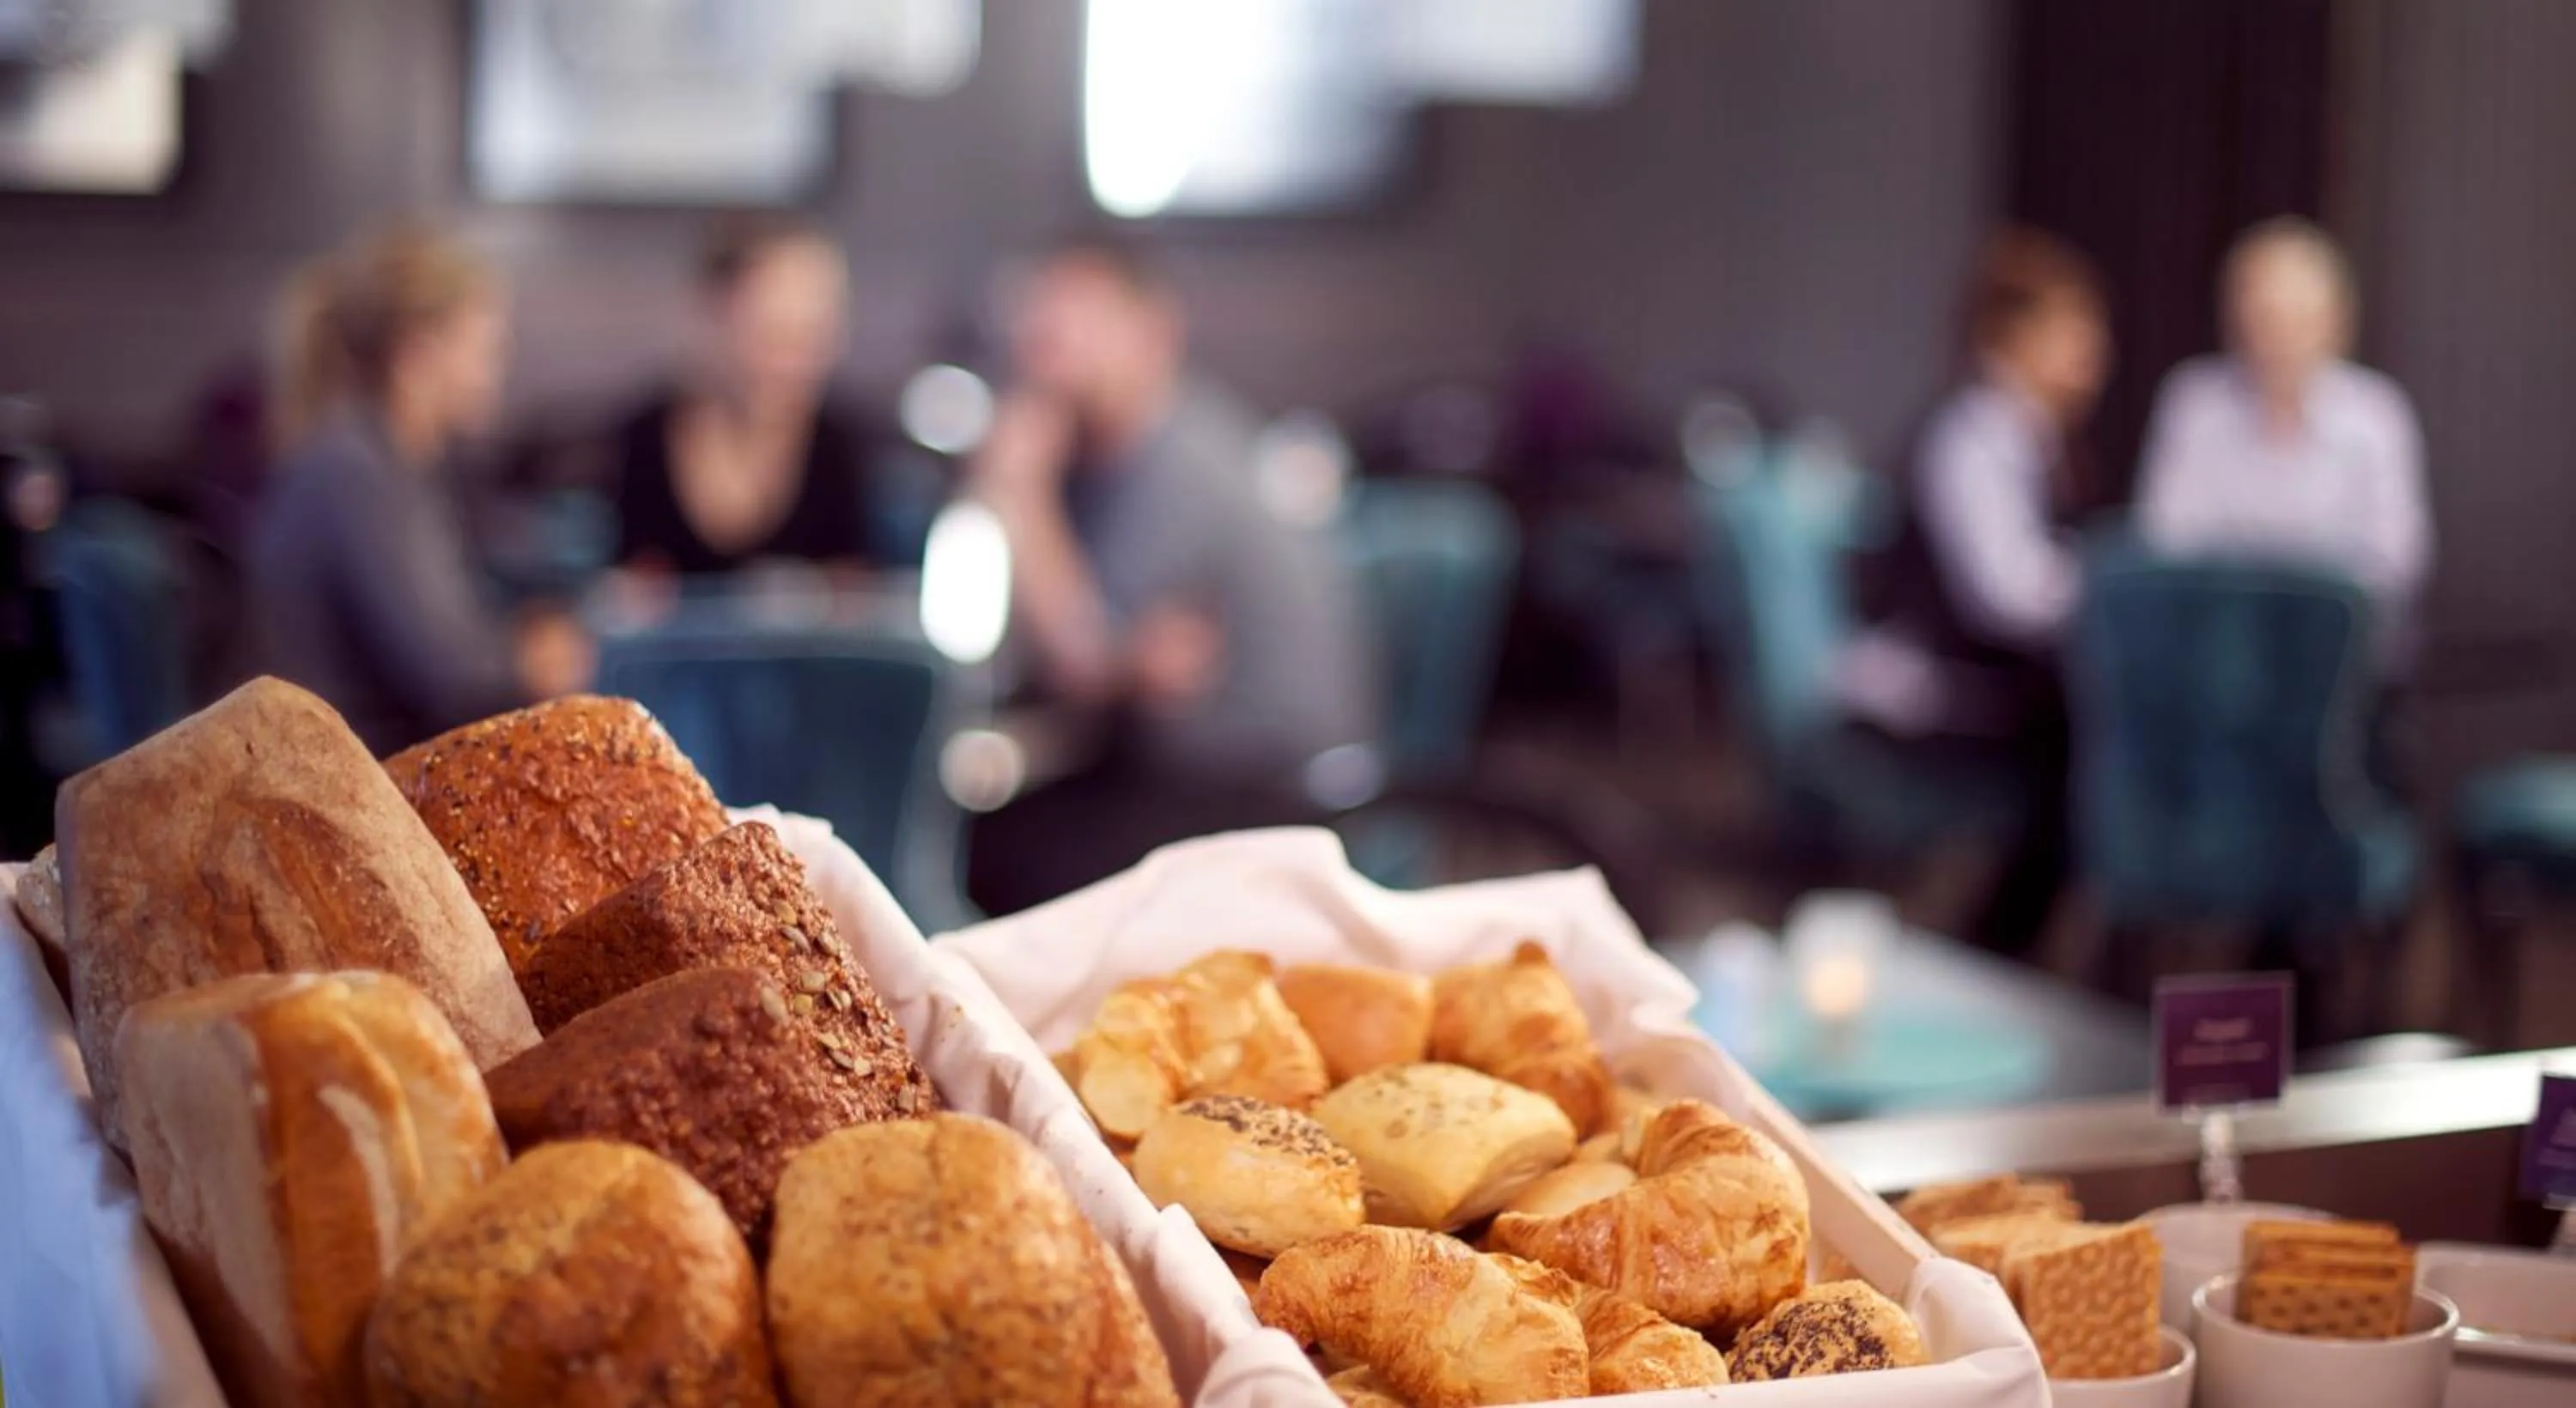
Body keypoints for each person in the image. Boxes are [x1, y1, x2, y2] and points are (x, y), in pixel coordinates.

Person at [964, 237, 1375, 913]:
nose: (1047, 359)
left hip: (1266, 794)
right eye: (1039, 334)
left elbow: (1083, 662)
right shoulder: (1110, 457)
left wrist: (1018, 491)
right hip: (1194, 775)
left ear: (1154, 333)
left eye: (1075, 331)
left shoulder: (1182, 467)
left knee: (1000, 858)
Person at [1846, 228, 2113, 957]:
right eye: (2076, 328)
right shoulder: (1974, 437)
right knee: (2080, 758)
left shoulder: (2034, 441)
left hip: (1980, 688)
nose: (2096, 351)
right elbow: (2006, 596)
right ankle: (2001, 958)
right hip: (1939, 698)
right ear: (2011, 335)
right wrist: (2116, 589)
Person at [251, 226, 587, 753]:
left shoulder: (392, 460)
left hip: (362, 764)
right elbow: (453, 678)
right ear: (416, 354)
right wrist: (532, 659)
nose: (493, 375)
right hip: (353, 779)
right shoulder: (356, 472)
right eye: (484, 352)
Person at [2136, 218, 2432, 651]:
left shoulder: (2376, 416)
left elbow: (2394, 564)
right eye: (2260, 319)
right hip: (2216, 643)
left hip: (2335, 650)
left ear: (2335, 324)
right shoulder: (2194, 402)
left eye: (2294, 321)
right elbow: (2165, 541)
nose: (2274, 341)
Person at [612, 216, 878, 585]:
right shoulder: (636, 443)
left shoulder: (848, 451)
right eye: (772, 336)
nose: (794, 366)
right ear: (714, 321)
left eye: (813, 338)